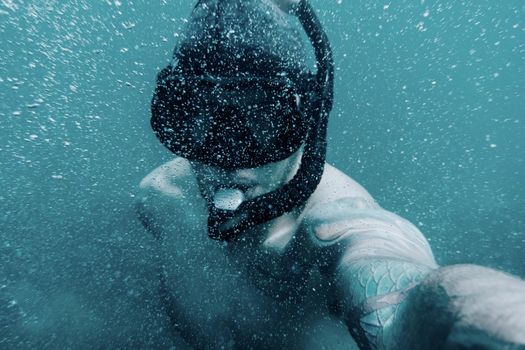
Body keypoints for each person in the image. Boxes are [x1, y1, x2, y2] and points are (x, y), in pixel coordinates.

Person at [136, 0, 525, 349]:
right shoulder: (160, 198)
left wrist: (467, 320)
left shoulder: (332, 222)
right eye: (199, 117)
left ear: (307, 119)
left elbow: (394, 274)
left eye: (265, 121)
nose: (232, 157)